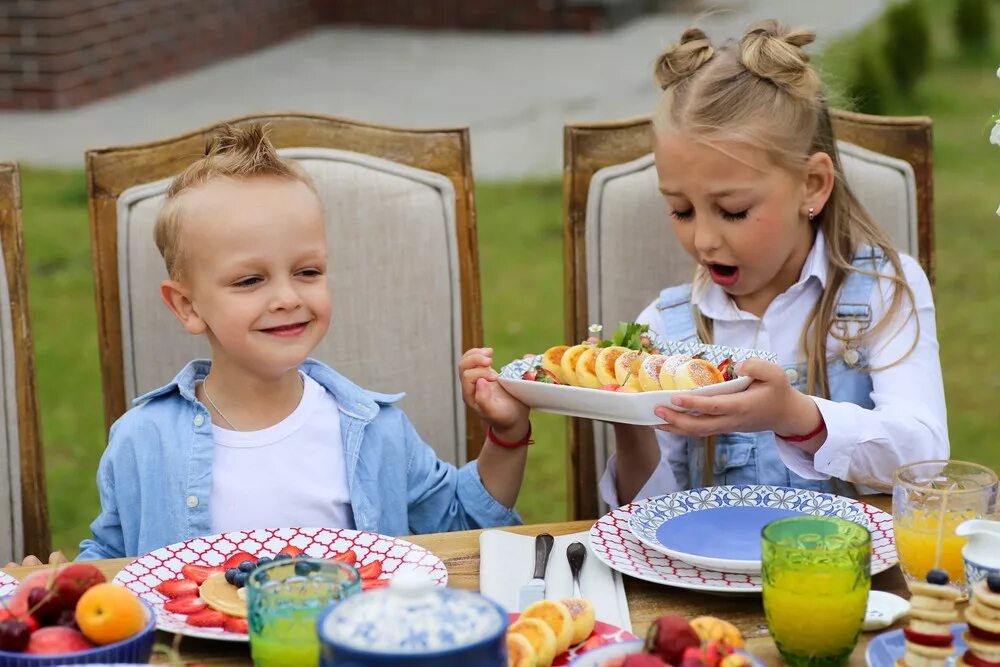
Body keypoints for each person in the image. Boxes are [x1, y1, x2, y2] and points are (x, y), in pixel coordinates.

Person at [68, 124, 530, 561]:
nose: (287, 298)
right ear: (187, 306)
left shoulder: (375, 430)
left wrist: (507, 436)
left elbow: (461, 522)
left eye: (307, 272)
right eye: (250, 280)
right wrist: (55, 583)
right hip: (195, 647)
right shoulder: (142, 441)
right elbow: (112, 563)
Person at [601, 20, 948, 506]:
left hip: (852, 574)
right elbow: (647, 516)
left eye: (734, 211)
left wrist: (796, 416)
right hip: (707, 577)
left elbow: (925, 456)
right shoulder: (662, 330)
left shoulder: (884, 290)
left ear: (812, 185)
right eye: (680, 210)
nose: (702, 239)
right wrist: (629, 420)